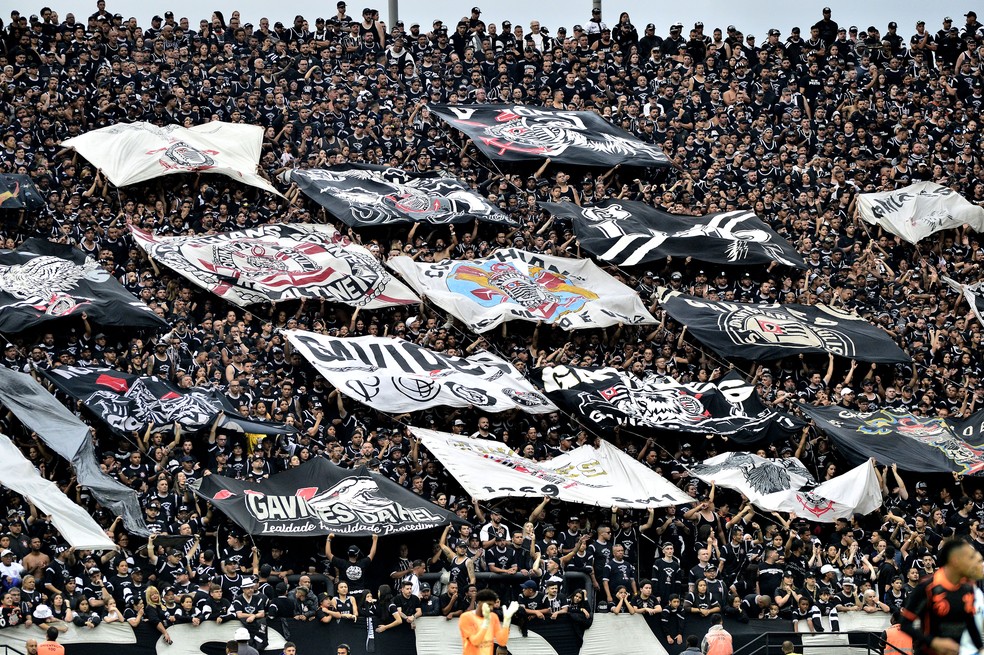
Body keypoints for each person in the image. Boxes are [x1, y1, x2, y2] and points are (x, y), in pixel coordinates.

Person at [901, 539, 983, 655]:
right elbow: (905, 624)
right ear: (955, 561)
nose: (974, 563)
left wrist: (980, 648)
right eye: (970, 558)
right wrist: (934, 642)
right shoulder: (927, 587)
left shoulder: (968, 588)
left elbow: (969, 622)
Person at [459, 588, 518, 655]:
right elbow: (475, 641)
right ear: (480, 602)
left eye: (492, 605)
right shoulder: (466, 617)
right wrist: (486, 623)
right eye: (489, 604)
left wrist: (506, 622)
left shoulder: (493, 616)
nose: (491, 608)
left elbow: (502, 642)